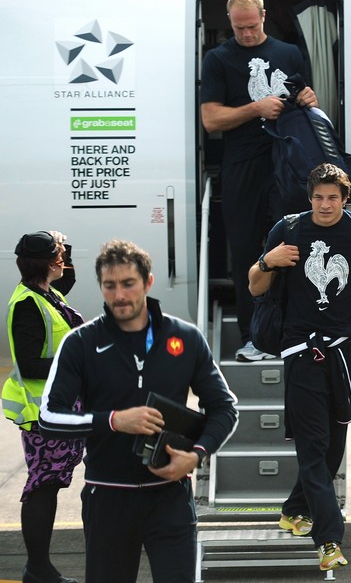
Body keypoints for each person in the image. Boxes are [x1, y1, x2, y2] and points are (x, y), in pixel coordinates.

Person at [38, 239, 238, 583]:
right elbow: (48, 418)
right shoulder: (80, 343)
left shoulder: (186, 338)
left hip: (170, 497)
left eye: (128, 283)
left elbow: (225, 408)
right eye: (109, 285)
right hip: (108, 496)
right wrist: (114, 421)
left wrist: (197, 455)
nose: (119, 295)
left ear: (148, 282)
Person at [248, 163, 351, 571]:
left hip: (345, 351)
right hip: (303, 351)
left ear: (344, 198)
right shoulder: (288, 229)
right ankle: (329, 540)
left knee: (334, 443)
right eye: (318, 197)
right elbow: (254, 286)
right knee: (313, 446)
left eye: (332, 197)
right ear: (310, 197)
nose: (324, 204)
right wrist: (267, 261)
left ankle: (294, 510)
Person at [200, 0, 319, 362]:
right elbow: (211, 119)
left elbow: (305, 102)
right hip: (242, 166)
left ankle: (293, 331)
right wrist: (256, 108)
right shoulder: (218, 59)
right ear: (230, 22)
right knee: (246, 252)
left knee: (292, 249)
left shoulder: (290, 53)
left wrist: (309, 100)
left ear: (263, 16)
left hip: (286, 164)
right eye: (239, 28)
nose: (247, 34)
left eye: (251, 26)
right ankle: (254, 338)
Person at [1, 230, 85, 583]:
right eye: (59, 257)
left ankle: (39, 569)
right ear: (49, 264)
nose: (63, 262)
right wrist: (78, 363)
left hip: (61, 409)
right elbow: (30, 364)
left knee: (50, 484)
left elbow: (69, 279)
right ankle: (37, 568)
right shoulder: (28, 304)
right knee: (43, 486)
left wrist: (67, 247)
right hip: (44, 414)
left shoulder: (45, 292)